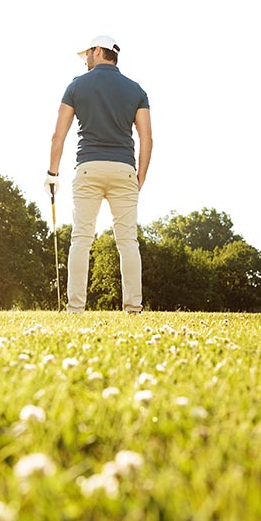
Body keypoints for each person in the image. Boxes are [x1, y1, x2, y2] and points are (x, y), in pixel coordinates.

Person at [47, 35, 152, 313]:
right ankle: (133, 308)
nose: (85, 60)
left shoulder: (76, 86)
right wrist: (139, 177)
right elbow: (147, 138)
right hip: (124, 170)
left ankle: (75, 309)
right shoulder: (136, 90)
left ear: (97, 51)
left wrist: (52, 173)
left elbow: (59, 135)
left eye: (87, 55)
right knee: (128, 241)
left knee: (81, 238)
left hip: (88, 168)